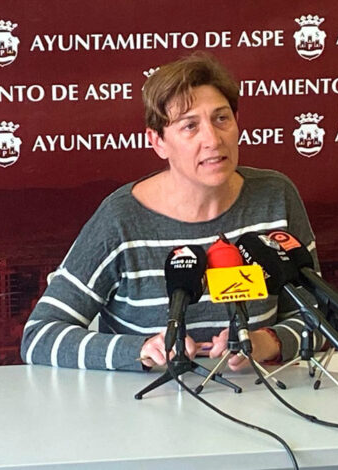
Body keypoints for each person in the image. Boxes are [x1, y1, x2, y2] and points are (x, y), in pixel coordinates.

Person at [20, 52, 321, 372]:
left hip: (258, 395)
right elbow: (39, 336)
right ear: (158, 141)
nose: (213, 139)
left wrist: (268, 342)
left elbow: (318, 317)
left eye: (221, 119)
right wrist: (140, 350)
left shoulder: (275, 196)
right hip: (148, 398)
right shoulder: (121, 219)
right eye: (190, 126)